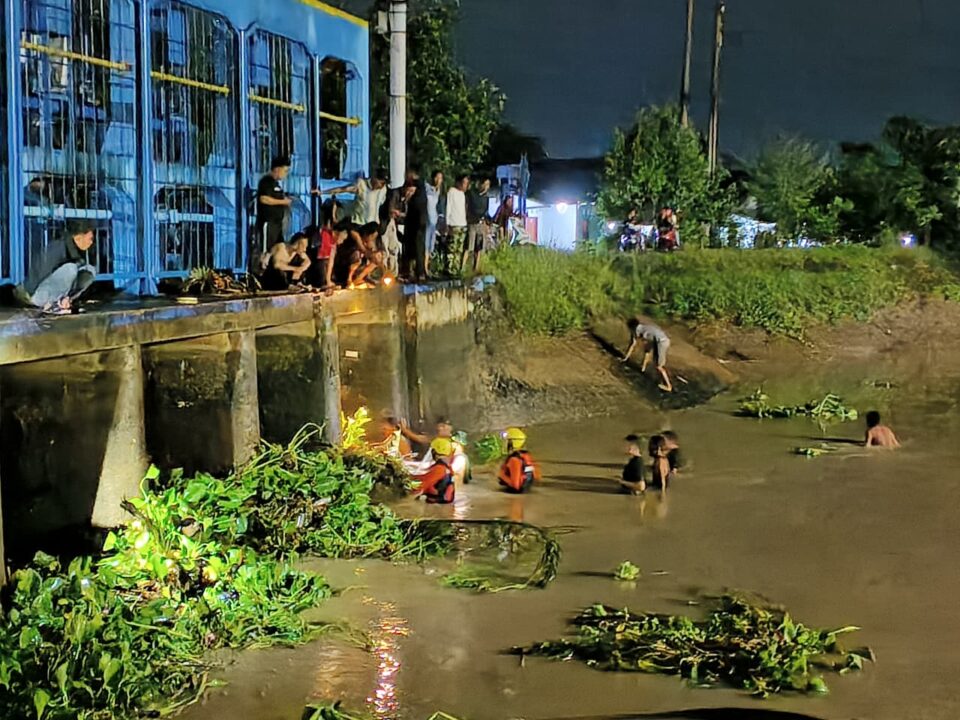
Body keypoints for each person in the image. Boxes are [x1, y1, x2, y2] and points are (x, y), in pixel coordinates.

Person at [15, 220, 97, 314]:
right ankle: (53, 304)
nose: (91, 242)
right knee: (70, 269)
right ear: (78, 237)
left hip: (53, 291)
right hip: (36, 293)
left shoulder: (75, 250)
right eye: (90, 238)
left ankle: (64, 301)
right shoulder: (58, 248)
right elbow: (39, 275)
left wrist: (66, 297)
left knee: (89, 270)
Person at [255, 156, 293, 269]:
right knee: (266, 250)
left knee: (278, 247)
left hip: (277, 224)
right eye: (284, 170)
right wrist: (283, 202)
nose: (285, 174)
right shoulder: (266, 182)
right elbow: (264, 199)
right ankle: (260, 271)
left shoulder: (277, 184)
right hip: (268, 222)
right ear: (277, 169)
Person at [319, 170, 389, 226]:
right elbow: (342, 189)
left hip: (372, 227)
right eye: (381, 183)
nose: (382, 185)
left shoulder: (383, 190)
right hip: (358, 224)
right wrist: (322, 192)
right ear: (375, 177)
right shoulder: (361, 184)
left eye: (384, 183)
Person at [623, 318, 673, 392]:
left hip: (662, 342)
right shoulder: (643, 328)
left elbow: (633, 344)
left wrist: (625, 358)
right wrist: (643, 367)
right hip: (662, 340)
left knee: (659, 366)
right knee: (649, 353)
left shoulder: (637, 330)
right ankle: (644, 369)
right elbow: (647, 349)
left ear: (632, 327)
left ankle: (669, 386)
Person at [402, 167, 429, 282]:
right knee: (415, 247)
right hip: (417, 220)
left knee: (417, 247)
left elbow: (407, 196)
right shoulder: (422, 187)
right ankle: (415, 271)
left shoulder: (417, 185)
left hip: (416, 221)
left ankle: (418, 272)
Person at [497, 427, 541, 494]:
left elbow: (516, 486)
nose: (504, 443)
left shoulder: (514, 460)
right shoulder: (526, 455)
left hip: (515, 493)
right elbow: (536, 476)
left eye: (506, 441)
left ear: (512, 442)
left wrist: (502, 475)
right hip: (526, 489)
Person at [414, 438, 456, 504]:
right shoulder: (447, 467)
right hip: (443, 503)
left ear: (434, 452)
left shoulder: (439, 469)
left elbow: (423, 485)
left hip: (435, 504)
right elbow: (426, 476)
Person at [465, 177, 492, 273]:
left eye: (488, 185)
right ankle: (462, 267)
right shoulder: (472, 194)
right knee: (468, 246)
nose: (486, 187)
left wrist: (488, 222)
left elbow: (486, 211)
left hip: (481, 224)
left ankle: (476, 267)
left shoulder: (486, 198)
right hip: (472, 223)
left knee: (479, 247)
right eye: (485, 184)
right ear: (481, 184)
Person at [445, 175, 469, 275]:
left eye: (467, 183)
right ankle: (449, 269)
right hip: (454, 224)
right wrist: (447, 223)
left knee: (459, 249)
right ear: (459, 183)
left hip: (463, 224)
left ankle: (456, 268)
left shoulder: (463, 194)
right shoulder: (452, 192)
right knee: (452, 248)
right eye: (464, 183)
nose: (466, 185)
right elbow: (448, 208)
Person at [425, 170, 445, 275]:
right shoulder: (427, 188)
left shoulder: (439, 192)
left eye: (440, 178)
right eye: (437, 177)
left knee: (431, 245)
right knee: (425, 244)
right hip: (426, 220)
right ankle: (424, 268)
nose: (438, 180)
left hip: (434, 221)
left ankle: (428, 268)